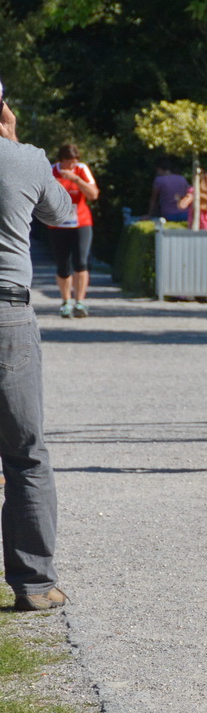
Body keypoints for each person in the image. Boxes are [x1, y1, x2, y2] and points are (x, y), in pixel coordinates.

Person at [0, 79, 74, 610]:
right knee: (25, 453)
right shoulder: (25, 159)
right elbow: (63, 213)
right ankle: (34, 584)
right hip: (8, 315)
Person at [49, 144, 98, 319]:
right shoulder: (50, 171)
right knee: (63, 264)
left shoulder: (81, 169)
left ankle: (80, 301)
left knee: (81, 261)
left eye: (74, 162)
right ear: (61, 160)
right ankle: (65, 301)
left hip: (81, 222)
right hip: (58, 224)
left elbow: (93, 194)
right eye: (68, 163)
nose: (71, 166)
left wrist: (76, 179)